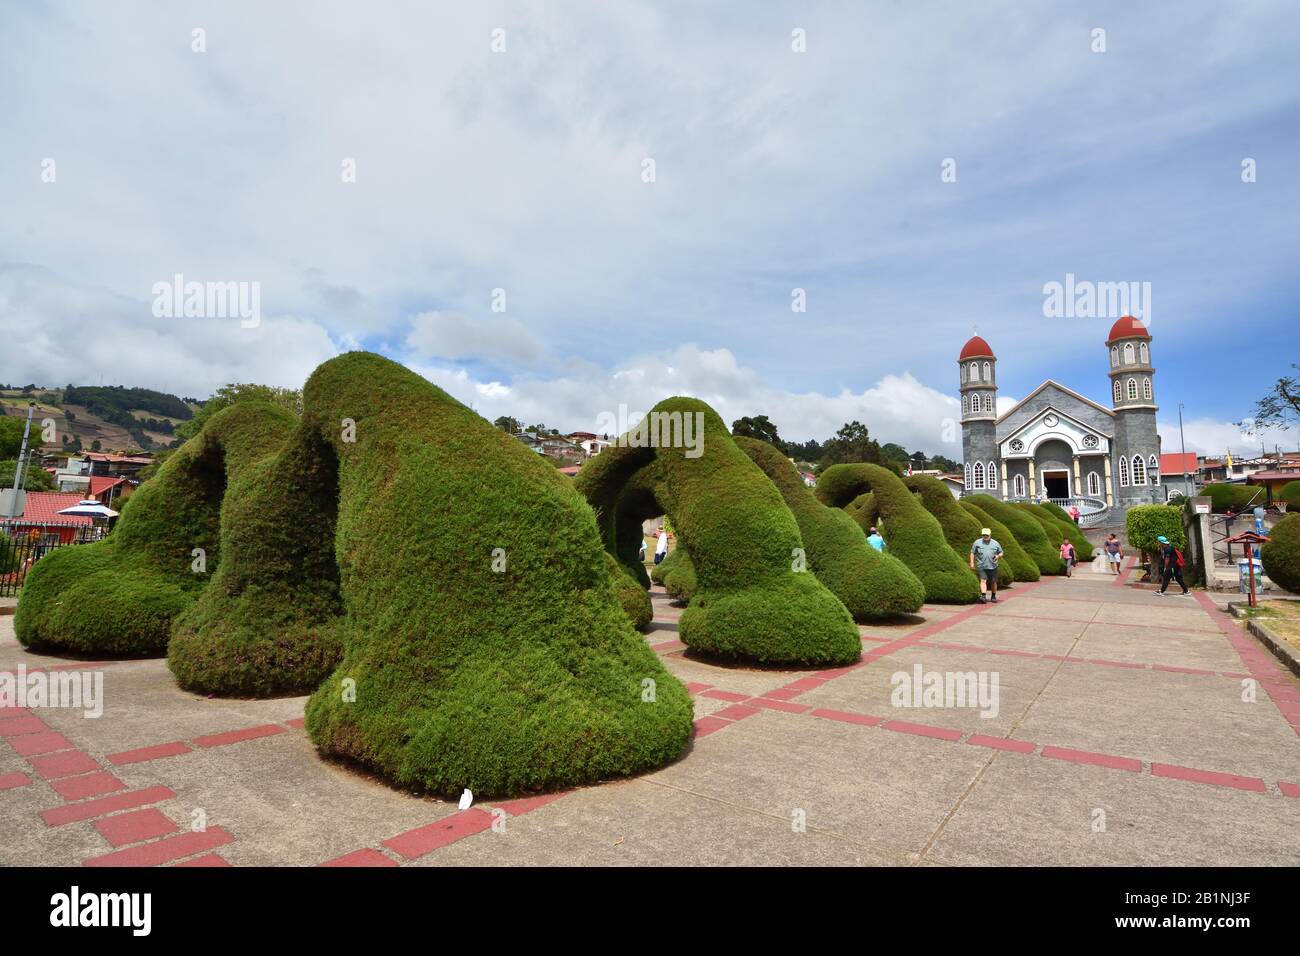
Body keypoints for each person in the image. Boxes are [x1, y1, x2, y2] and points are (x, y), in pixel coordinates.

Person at [969, 528, 1003, 604]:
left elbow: (1001, 552)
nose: (985, 536)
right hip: (982, 566)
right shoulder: (977, 543)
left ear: (990, 535)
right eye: (984, 535)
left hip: (993, 566)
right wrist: (972, 563)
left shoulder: (995, 543)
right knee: (983, 580)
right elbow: (972, 553)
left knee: (993, 582)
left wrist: (998, 556)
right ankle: (983, 596)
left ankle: (993, 596)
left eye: (987, 535)